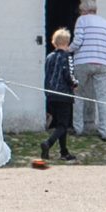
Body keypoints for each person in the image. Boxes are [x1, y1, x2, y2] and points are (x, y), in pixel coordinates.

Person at [67, 0, 106, 139]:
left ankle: (78, 128)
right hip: (102, 64)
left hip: (82, 62)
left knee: (78, 94)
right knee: (102, 97)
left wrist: (67, 50)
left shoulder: (82, 20)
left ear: (84, 10)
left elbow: (78, 41)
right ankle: (104, 131)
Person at [37, 25, 75, 164]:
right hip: (64, 94)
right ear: (67, 42)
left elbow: (47, 74)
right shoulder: (67, 57)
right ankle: (48, 142)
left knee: (60, 124)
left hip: (51, 94)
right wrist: (75, 84)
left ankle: (64, 151)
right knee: (63, 125)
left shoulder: (49, 57)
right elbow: (69, 75)